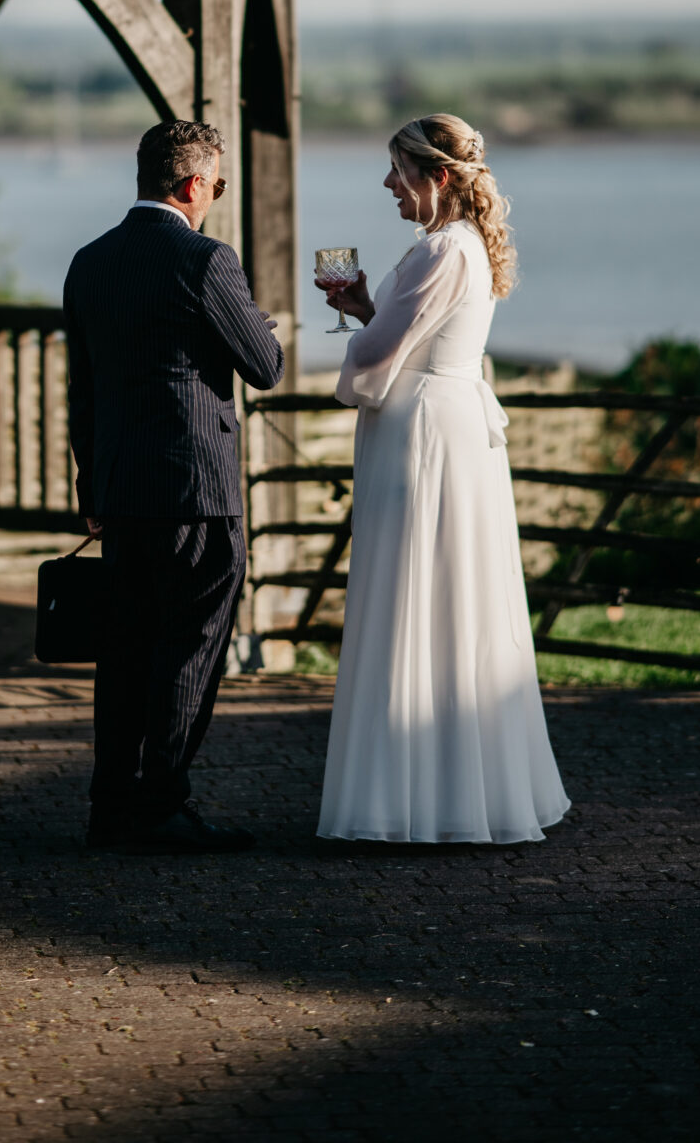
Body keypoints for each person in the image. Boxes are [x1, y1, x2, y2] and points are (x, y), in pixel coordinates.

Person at [314, 114, 570, 844]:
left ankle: (412, 798)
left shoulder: (440, 249)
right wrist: (367, 310)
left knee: (416, 592)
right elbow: (410, 334)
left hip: (422, 431)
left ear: (440, 176)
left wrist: (357, 338)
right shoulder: (458, 246)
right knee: (447, 595)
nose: (387, 183)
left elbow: (379, 354)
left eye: (398, 171)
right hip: (443, 419)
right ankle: (449, 789)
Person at [64, 119, 284, 853]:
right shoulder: (206, 259)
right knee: (190, 647)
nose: (216, 195)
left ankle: (110, 806)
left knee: (124, 650)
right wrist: (261, 327)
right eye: (217, 184)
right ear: (193, 184)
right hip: (197, 489)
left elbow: (82, 389)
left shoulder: (89, 261)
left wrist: (91, 486)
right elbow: (264, 367)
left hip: (121, 487)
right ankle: (161, 804)